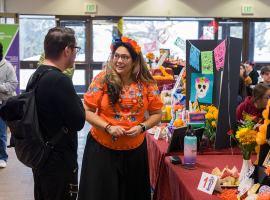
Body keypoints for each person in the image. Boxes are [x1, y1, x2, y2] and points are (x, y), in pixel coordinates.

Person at [78, 36, 163, 200]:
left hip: (135, 152)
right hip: (102, 149)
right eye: (116, 56)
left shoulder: (147, 84)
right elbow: (87, 110)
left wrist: (142, 127)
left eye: (125, 57)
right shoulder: (102, 79)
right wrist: (108, 127)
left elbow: (157, 114)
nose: (119, 61)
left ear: (135, 61)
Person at [30, 27, 85, 200]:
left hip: (41, 157)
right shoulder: (60, 80)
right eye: (76, 49)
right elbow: (79, 122)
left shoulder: (36, 75)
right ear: (67, 50)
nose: (76, 53)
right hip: (59, 162)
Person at [0, 42, 18, 168]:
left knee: (1, 132)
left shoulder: (7, 66)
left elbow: (13, 84)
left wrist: (0, 87)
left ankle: (2, 157)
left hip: (2, 103)